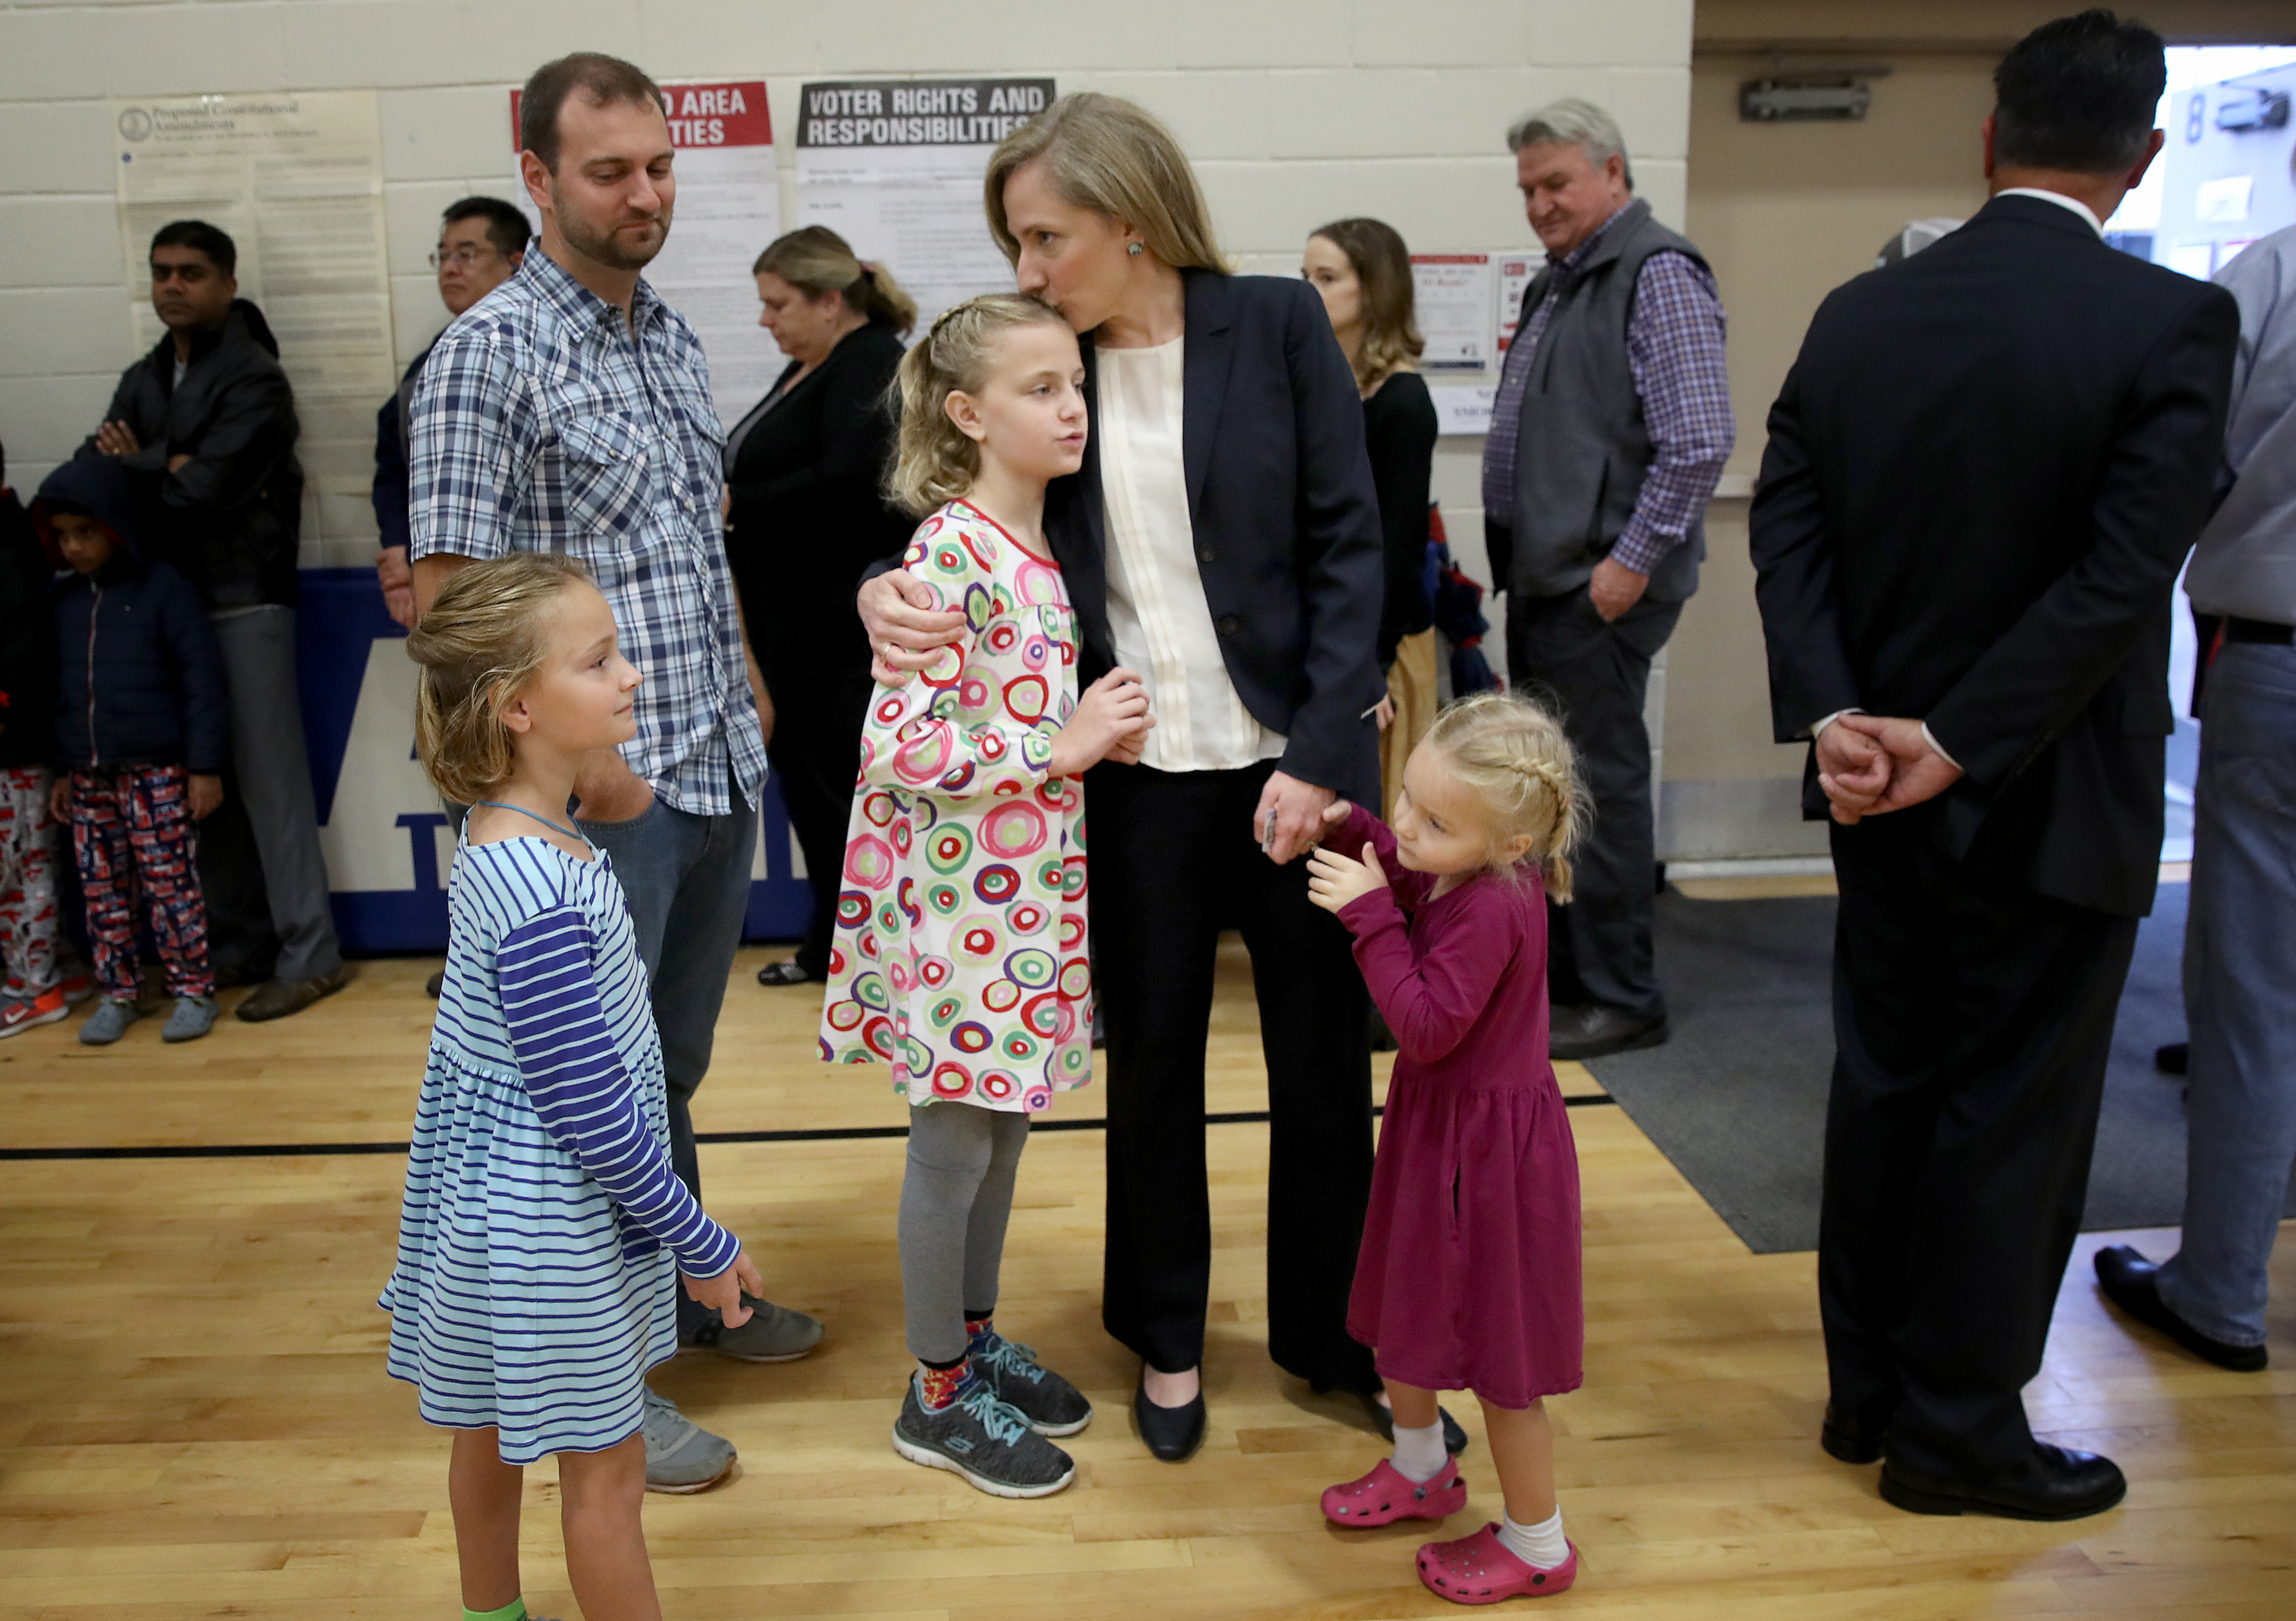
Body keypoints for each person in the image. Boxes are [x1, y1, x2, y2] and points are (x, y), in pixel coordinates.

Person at [1750, 9, 2239, 1520]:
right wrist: (1957, 743)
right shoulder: (2166, 323)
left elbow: (1787, 520)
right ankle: (1956, 1435)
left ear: (1984, 137)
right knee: (2009, 1118)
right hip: (2049, 789)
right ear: (2141, 154)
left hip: (1867, 790)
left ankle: (1867, 1396)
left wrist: (1842, 714)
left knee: (1885, 1082)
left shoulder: (1855, 311)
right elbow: (2116, 579)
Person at [860, 93, 1399, 1461]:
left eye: (1045, 236)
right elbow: (953, 500)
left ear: (1132, 217)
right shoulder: (1052, 366)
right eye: (1017, 242)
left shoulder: (1275, 325)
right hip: (1135, 779)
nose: (1028, 268)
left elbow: (1352, 549)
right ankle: (1164, 1337)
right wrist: (880, 588)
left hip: (1294, 766)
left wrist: (1324, 754)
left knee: (1322, 1067)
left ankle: (1335, 1335)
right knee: (1150, 1065)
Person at [407, 51, 818, 1491]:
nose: (642, 194)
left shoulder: (669, 337)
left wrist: (749, 692)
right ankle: (602, 1393)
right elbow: (454, 617)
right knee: (585, 1104)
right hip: (595, 803)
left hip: (706, 761)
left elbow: (694, 554)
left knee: (666, 1075)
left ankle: (695, 1302)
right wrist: (560, 790)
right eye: (606, 172)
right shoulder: (488, 354)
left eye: (657, 167)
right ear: (536, 178)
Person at [383, 551, 766, 1621]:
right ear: (517, 708)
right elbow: (592, 1112)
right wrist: (701, 1239)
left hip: (482, 1219)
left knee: (486, 1433)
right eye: (599, 662)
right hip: (548, 1228)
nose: (632, 675)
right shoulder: (544, 887)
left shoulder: (507, 836)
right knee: (607, 1480)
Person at [823, 293, 1146, 1496]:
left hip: (1021, 902)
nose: (1068, 407)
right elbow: (899, 747)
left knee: (1001, 1127)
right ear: (965, 414)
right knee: (953, 1141)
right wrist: (1057, 749)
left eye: (1073, 383)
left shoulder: (1040, 540)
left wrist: (1066, 744)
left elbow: (998, 713)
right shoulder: (947, 552)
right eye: (1037, 389)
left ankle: (967, 1332)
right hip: (961, 914)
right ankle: (932, 1386)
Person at [1307, 691, 1588, 1603]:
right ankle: (1423, 1468)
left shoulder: (1495, 906)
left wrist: (1368, 917)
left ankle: (1539, 1544)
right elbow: (1418, 867)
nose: (1405, 826)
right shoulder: (1467, 863)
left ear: (1509, 842)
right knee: (1406, 1307)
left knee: (1503, 1369)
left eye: (1428, 819)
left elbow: (1424, 1023)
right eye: (1403, 800)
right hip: (1441, 1138)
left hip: (1489, 1163)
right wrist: (1357, 826)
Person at [1481, 98, 1734, 1061]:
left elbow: (1699, 437)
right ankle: (1567, 977)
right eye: (1528, 189)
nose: (1540, 204)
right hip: (1552, 580)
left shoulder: (1654, 271)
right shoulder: (1565, 278)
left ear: (1613, 174)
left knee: (1600, 788)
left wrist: (1626, 567)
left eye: (1556, 183)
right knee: (1559, 790)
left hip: (1597, 586)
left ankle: (1622, 993)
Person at [2095, 220, 2296, 1374]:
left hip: (2275, 646)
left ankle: (2219, 1288)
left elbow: (2178, 456)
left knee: (2255, 994)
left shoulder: (2270, 272)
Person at [79, 219, 350, 1024]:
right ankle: (242, 942)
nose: (173, 285)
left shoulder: (255, 377)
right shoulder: (146, 373)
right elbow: (98, 477)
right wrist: (157, 463)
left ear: (227, 284)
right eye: (162, 271)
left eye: (191, 272)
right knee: (212, 793)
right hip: (175, 603)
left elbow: (203, 490)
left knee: (271, 789)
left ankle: (311, 954)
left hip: (245, 596)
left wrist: (151, 463)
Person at [722, 226, 915, 989]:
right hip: (794, 629)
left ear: (830, 301)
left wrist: (737, 504)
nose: (766, 320)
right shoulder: (810, 365)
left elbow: (850, 486)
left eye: (778, 304)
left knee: (843, 794)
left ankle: (865, 960)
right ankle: (828, 945)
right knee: (814, 794)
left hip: (837, 630)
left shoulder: (869, 363)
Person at [33, 457, 228, 1047]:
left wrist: (204, 767)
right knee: (101, 892)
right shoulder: (62, 602)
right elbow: (59, 693)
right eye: (63, 536)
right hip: (90, 778)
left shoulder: (164, 590)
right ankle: (118, 992)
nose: (74, 547)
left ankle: (193, 987)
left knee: (172, 885)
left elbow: (201, 681)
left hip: (157, 772)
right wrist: (66, 770)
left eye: (85, 533)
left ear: (116, 527)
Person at [1303, 219, 1440, 819]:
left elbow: (1400, 546)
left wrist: (1371, 665)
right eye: (1304, 277)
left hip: (1380, 642)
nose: (1310, 292)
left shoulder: (1402, 401)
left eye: (1327, 278)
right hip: (1333, 631)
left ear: (1375, 290)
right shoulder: (1331, 384)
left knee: (1381, 814)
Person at [373, 197, 530, 629]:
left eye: (467, 254)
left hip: (531, 592)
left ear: (516, 263)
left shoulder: (547, 358)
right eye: (442, 256)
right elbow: (392, 465)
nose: (449, 268)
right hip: (455, 601)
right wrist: (399, 546)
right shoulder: (429, 367)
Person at [0, 436, 69, 1039]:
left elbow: (23, 657)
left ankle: (36, 987)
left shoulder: (9, 550)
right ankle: (38, 974)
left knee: (22, 869)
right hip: (17, 746)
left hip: (15, 748)